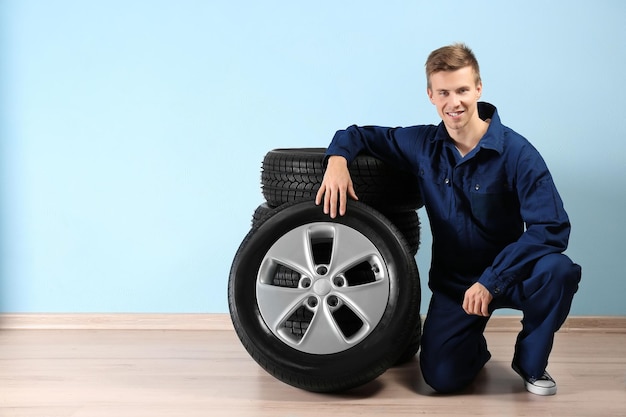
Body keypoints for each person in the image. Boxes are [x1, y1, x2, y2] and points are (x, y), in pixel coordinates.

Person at [314, 43, 581, 396]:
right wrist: (337, 161)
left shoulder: (518, 154)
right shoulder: (422, 144)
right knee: (441, 378)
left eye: (462, 90)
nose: (454, 102)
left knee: (557, 270)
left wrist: (493, 280)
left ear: (478, 89)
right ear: (430, 95)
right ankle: (471, 347)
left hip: (511, 273)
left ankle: (531, 363)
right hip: (456, 285)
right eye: (444, 92)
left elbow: (552, 228)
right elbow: (359, 134)